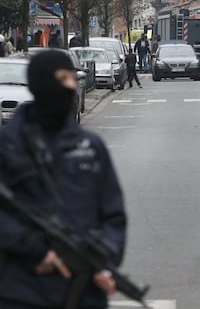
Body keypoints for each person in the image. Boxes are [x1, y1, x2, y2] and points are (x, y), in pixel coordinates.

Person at [0, 49, 127, 308]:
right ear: (41, 83)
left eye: (73, 78)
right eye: (63, 78)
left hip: (84, 289)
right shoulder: (8, 146)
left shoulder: (89, 146)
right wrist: (33, 248)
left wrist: (105, 259)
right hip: (21, 287)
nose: (71, 85)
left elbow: (113, 214)